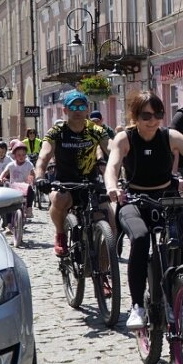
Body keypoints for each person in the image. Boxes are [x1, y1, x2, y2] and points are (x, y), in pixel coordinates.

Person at [104, 91, 183, 329]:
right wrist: (112, 187)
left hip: (167, 197)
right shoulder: (125, 138)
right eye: (146, 115)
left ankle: (181, 297)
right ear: (135, 116)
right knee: (141, 238)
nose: (153, 120)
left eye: (158, 114)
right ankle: (137, 307)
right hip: (133, 199)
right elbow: (112, 166)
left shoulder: (170, 136)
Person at [34, 91, 111, 256]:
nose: (77, 111)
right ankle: (60, 234)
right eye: (73, 107)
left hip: (91, 182)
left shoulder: (96, 130)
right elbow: (44, 156)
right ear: (65, 110)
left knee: (110, 219)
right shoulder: (57, 131)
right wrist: (40, 177)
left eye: (81, 106)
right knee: (60, 199)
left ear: (87, 110)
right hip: (65, 182)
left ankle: (105, 270)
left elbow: (112, 150)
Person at [0, 141, 36, 219]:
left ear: (26, 155)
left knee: (31, 191)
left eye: (23, 155)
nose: (21, 157)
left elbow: (32, 173)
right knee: (8, 205)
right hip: (13, 187)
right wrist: (0, 178)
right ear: (14, 156)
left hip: (25, 187)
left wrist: (33, 180)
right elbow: (5, 172)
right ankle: (8, 224)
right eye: (19, 155)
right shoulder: (11, 164)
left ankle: (29, 208)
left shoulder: (28, 164)